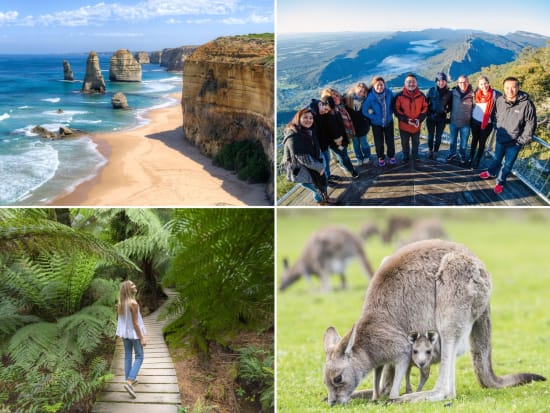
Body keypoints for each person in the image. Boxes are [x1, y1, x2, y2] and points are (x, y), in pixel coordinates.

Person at [479, 76, 536, 194]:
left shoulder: (527, 104)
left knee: (508, 164)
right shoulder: (500, 100)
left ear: (518, 88)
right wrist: (497, 127)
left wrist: (521, 141)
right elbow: (495, 115)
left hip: (514, 143)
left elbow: (530, 125)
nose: (510, 90)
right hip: (500, 138)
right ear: (503, 88)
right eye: (507, 87)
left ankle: (500, 182)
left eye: (513, 87)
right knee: (496, 159)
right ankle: (491, 172)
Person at [281, 107, 332, 204]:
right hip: (302, 171)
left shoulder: (308, 131)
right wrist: (319, 168)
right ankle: (321, 202)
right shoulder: (293, 135)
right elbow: (302, 157)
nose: (309, 120)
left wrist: (321, 163)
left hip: (312, 167)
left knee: (320, 186)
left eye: (311, 118)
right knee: (317, 188)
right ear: (298, 118)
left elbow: (316, 148)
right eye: (305, 117)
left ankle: (324, 199)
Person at [116, 280, 147, 399]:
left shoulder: (121, 303)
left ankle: (128, 380)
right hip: (134, 334)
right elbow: (135, 323)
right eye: (132, 285)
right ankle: (129, 381)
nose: (135, 286)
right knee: (139, 356)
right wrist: (142, 338)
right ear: (128, 289)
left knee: (128, 355)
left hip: (124, 334)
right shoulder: (133, 303)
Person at [319, 88, 359, 178]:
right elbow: (331, 128)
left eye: (337, 95)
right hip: (336, 141)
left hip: (344, 136)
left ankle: (345, 165)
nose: (336, 98)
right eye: (332, 98)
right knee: (343, 155)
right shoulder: (328, 112)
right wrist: (338, 140)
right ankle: (351, 170)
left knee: (343, 154)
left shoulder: (340, 107)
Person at [393, 73, 428, 163]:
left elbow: (425, 108)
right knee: (404, 142)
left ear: (416, 83)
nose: (411, 84)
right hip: (404, 126)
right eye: (409, 82)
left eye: (413, 82)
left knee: (416, 142)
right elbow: (396, 109)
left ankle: (415, 155)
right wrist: (406, 120)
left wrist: (419, 119)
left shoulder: (421, 95)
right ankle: (406, 155)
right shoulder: (399, 96)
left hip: (416, 125)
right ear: (405, 83)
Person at [469, 75, 501, 169]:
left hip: (487, 123)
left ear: (489, 83)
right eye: (481, 84)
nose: (484, 86)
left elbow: (501, 108)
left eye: (485, 83)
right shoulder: (476, 92)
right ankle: (471, 157)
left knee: (482, 142)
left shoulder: (496, 94)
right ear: (478, 85)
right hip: (474, 120)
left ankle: (477, 160)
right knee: (474, 140)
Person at [362, 76, 396, 166]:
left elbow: (394, 104)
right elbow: (364, 111)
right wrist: (374, 117)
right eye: (378, 85)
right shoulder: (370, 97)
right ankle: (381, 157)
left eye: (381, 85)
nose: (380, 87)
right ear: (374, 86)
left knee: (390, 140)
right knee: (378, 142)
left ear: (384, 85)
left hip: (388, 121)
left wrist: (390, 113)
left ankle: (391, 156)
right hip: (376, 124)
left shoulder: (389, 93)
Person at [446, 75, 474, 164]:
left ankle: (462, 154)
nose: (463, 84)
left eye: (465, 82)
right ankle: (452, 153)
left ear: (468, 82)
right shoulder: (452, 93)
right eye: (461, 82)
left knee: (464, 142)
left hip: (466, 123)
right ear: (458, 83)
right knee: (452, 140)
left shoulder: (473, 94)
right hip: (453, 121)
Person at [343, 82, 372, 166]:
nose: (362, 94)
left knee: (364, 143)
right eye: (360, 91)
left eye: (364, 92)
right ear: (355, 90)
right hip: (352, 128)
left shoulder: (366, 102)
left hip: (363, 127)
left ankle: (367, 156)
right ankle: (359, 157)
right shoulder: (348, 100)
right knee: (355, 145)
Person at [426, 72, 452, 159]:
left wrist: (445, 111)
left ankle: (436, 151)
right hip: (430, 117)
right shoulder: (431, 91)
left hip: (441, 118)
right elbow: (425, 105)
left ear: (446, 82)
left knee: (438, 136)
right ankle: (430, 150)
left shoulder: (449, 93)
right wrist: (429, 114)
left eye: (443, 80)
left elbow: (451, 107)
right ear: (436, 81)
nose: (441, 82)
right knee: (430, 135)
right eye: (439, 80)